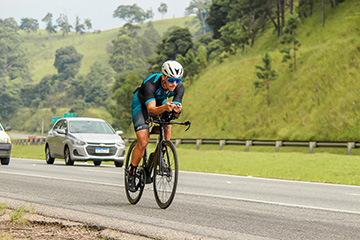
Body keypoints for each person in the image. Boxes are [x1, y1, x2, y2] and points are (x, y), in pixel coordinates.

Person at [128, 60, 185, 192]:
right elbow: (151, 109)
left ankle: (160, 156)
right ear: (164, 76)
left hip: (160, 103)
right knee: (143, 142)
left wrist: (177, 111)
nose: (174, 84)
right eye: (171, 80)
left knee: (167, 123)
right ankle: (132, 172)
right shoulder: (151, 84)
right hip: (142, 105)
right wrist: (165, 107)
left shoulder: (179, 87)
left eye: (178, 80)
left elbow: (175, 111)